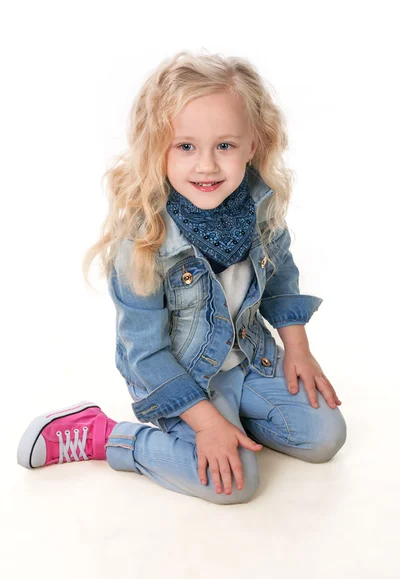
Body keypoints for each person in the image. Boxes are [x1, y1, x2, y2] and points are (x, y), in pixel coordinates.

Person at [17, 51, 347, 504]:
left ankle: (238, 415)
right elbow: (145, 352)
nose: (207, 166)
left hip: (248, 362)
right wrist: (207, 421)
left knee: (325, 436)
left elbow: (282, 280)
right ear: (158, 148)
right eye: (186, 146)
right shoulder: (144, 238)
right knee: (236, 487)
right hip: (177, 378)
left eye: (225, 146)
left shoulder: (260, 207)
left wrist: (298, 349)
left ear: (253, 145)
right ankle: (104, 435)